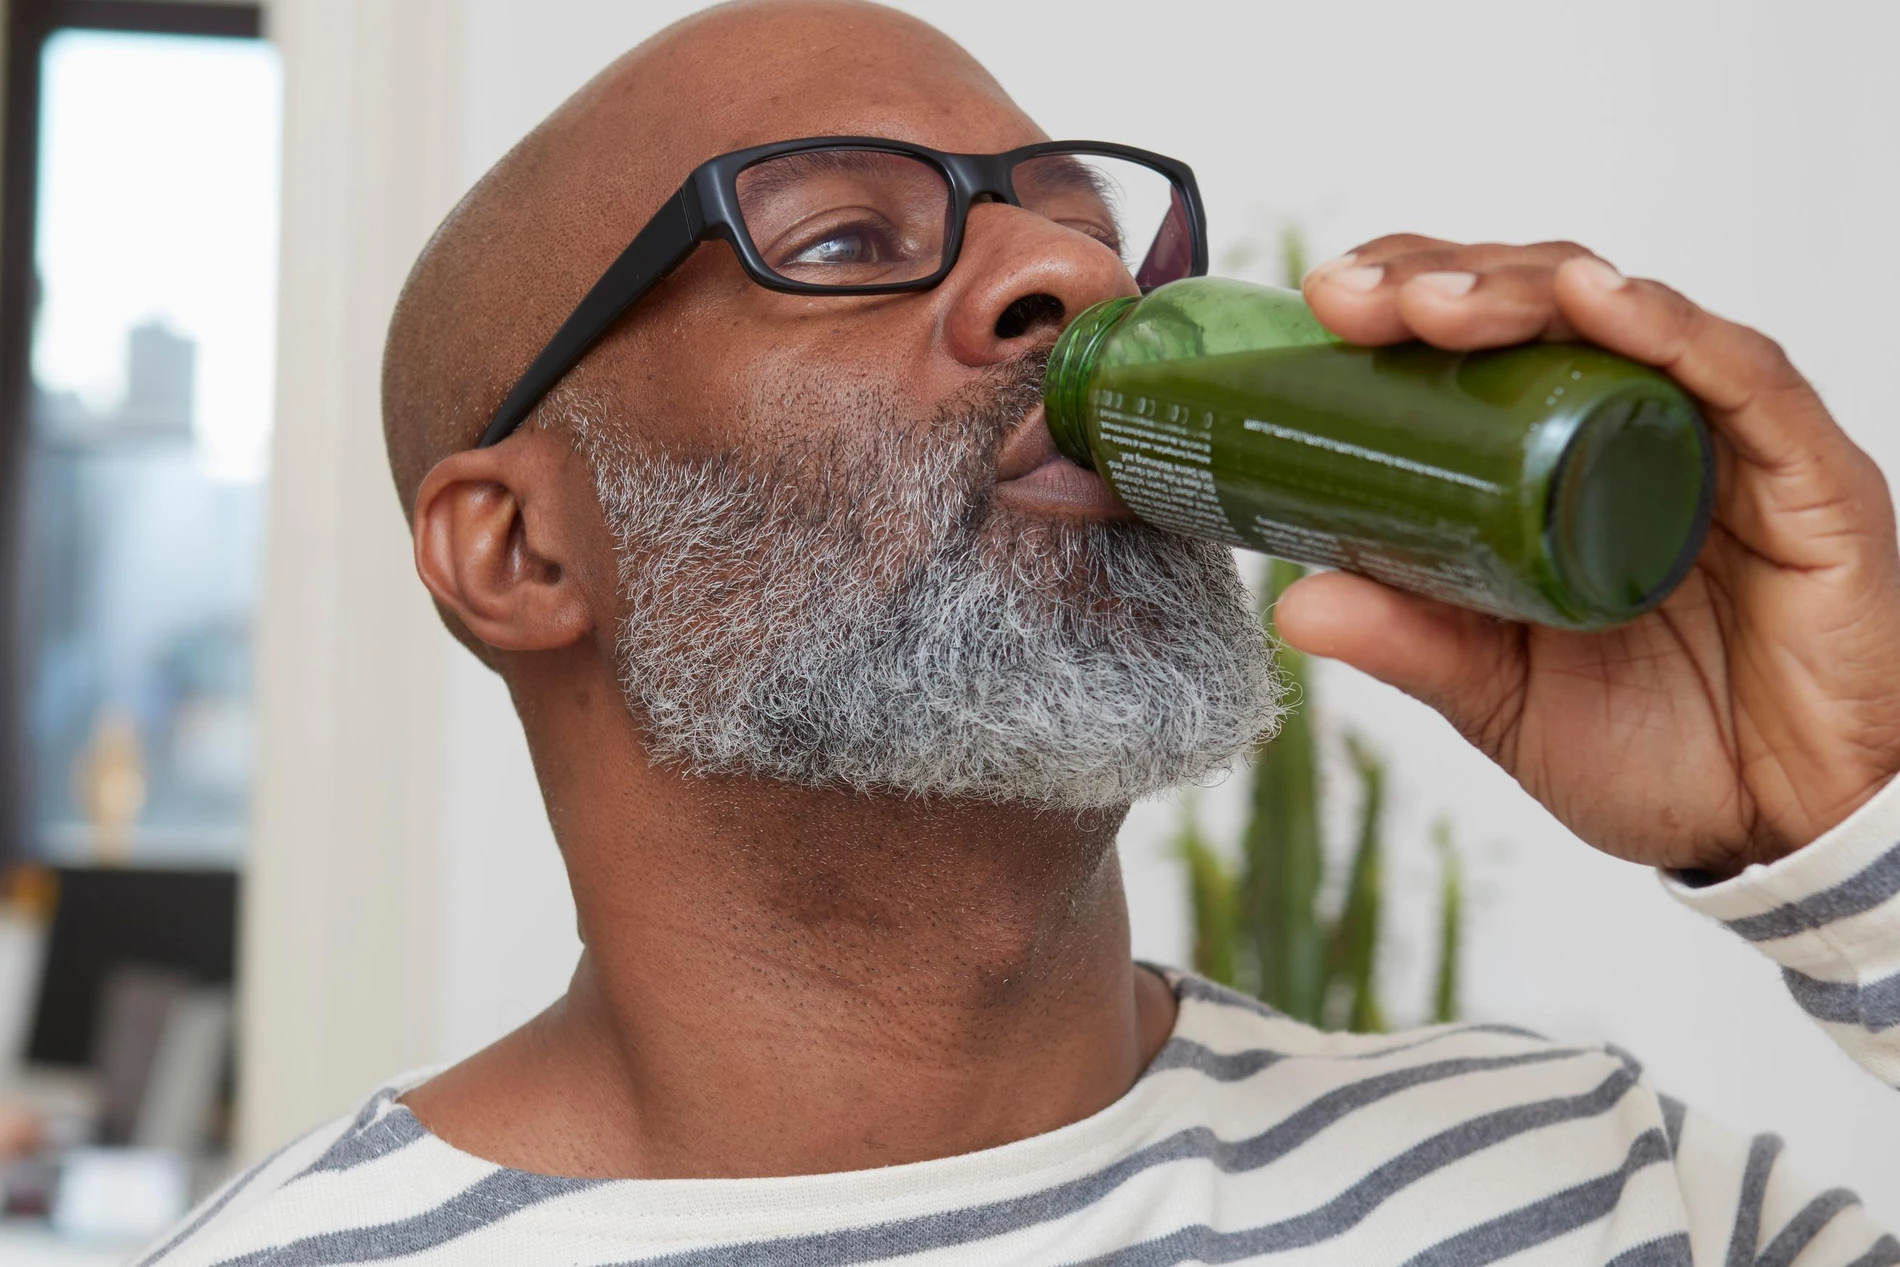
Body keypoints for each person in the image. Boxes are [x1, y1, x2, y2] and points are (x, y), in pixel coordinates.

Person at [143, 2, 1900, 1263]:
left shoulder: (1601, 1183)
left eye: (1082, 225)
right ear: (519, 546)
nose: (1075, 281)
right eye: (841, 234)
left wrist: (1846, 817)